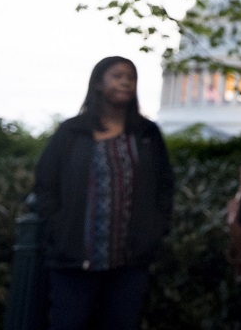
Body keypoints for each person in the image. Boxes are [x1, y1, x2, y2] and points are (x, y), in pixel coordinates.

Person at [34, 55, 174, 330]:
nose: (125, 82)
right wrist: (59, 230)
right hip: (75, 258)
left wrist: (154, 232)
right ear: (98, 83)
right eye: (117, 76)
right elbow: (46, 183)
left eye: (131, 77)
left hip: (130, 261)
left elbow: (164, 186)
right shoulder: (72, 132)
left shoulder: (147, 134)